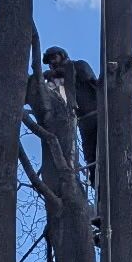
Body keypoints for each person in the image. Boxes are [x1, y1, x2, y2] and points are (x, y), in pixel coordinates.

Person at [43, 44, 101, 186]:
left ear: (63, 55)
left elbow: (85, 78)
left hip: (98, 115)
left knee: (105, 149)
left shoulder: (79, 66)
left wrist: (53, 74)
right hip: (84, 122)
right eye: (49, 61)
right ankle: (97, 185)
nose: (52, 63)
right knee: (90, 157)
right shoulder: (58, 81)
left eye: (54, 58)